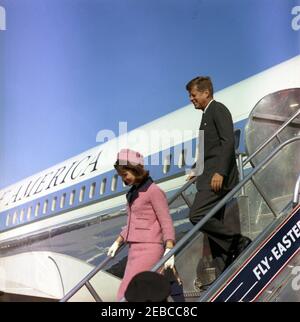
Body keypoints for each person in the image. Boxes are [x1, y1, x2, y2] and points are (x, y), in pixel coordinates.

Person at [186, 76, 251, 278]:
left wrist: (220, 172)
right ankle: (225, 275)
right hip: (208, 178)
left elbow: (228, 142)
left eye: (193, 94)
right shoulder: (205, 116)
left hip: (217, 179)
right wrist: (196, 170)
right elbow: (209, 151)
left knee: (197, 215)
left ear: (206, 93)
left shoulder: (218, 109)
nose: (191, 99)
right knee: (214, 231)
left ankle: (238, 242)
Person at [107, 148, 176, 301]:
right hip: (134, 250)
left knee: (130, 294)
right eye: (120, 176)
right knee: (128, 293)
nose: (124, 179)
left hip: (150, 248)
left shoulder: (154, 191)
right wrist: (117, 242)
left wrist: (170, 248)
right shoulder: (134, 193)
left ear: (135, 169)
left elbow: (166, 221)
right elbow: (132, 223)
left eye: (125, 174)